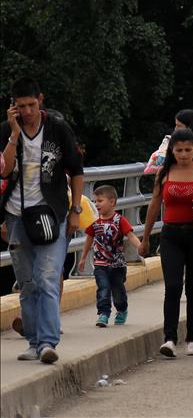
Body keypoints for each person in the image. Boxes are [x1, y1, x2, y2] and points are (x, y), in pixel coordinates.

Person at [1, 77, 84, 364]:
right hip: (16, 215)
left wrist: (75, 211)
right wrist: (14, 133)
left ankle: (48, 342)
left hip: (53, 212)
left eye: (31, 105)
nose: (26, 112)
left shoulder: (57, 128)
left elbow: (76, 170)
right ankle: (34, 341)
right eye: (20, 107)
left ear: (41, 100)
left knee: (48, 277)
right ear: (13, 107)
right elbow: (4, 171)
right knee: (27, 282)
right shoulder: (7, 131)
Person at [139, 128, 193, 358]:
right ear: (172, 151)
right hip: (171, 236)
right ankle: (169, 338)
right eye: (179, 150)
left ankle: (191, 338)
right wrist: (146, 237)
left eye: (188, 149)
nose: (184, 154)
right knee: (173, 286)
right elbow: (154, 205)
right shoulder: (164, 173)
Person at [77, 185, 141, 327]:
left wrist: (141, 247)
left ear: (112, 202)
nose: (96, 204)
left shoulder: (119, 220)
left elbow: (130, 235)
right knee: (103, 288)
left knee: (117, 290)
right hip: (100, 263)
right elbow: (89, 239)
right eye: (95, 201)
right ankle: (103, 314)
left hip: (117, 265)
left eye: (100, 201)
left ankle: (122, 309)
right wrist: (83, 258)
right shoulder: (94, 221)